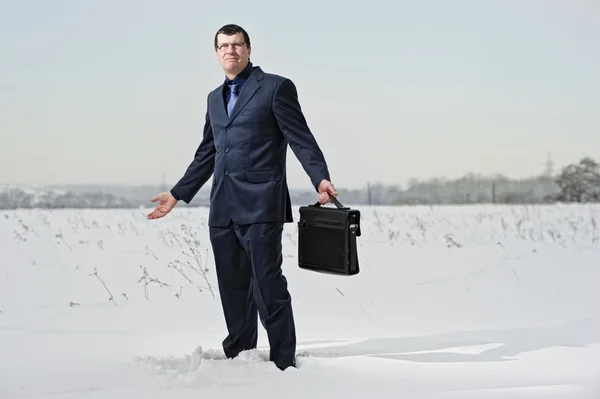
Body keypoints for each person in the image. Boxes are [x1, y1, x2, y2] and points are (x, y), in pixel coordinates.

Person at [147, 24, 338, 370]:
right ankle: (239, 353)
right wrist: (177, 194)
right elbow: (208, 153)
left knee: (267, 286)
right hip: (222, 207)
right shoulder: (213, 99)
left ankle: (284, 360)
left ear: (249, 50)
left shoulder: (276, 88)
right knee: (233, 289)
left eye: (236, 45)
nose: (230, 50)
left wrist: (319, 177)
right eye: (223, 46)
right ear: (216, 53)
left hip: (262, 205)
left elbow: (300, 138)